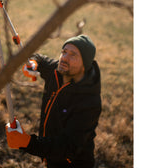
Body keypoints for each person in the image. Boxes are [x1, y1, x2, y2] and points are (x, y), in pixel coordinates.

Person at [6, 34, 101, 168]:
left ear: (84, 64)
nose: (65, 58)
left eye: (73, 55)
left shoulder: (89, 102)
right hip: (51, 156)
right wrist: (33, 63)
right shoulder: (57, 70)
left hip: (72, 163)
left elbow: (68, 147)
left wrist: (28, 142)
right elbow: (41, 59)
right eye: (64, 52)